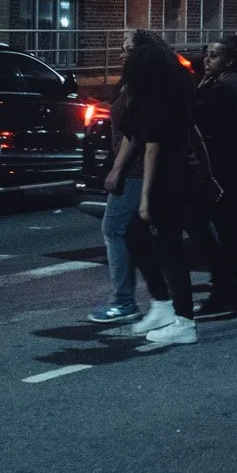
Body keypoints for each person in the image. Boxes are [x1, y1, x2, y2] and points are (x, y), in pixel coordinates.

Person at [113, 31, 202, 346]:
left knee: (167, 248)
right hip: (178, 177)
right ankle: (164, 306)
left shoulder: (153, 100)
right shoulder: (169, 93)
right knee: (138, 238)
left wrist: (145, 199)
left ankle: (184, 321)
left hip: (167, 179)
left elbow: (152, 148)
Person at [193, 35, 237, 316]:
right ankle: (226, 291)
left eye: (214, 55)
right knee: (226, 231)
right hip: (229, 167)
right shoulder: (221, 83)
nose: (207, 59)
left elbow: (205, 121)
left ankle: (226, 292)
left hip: (228, 169)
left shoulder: (226, 87)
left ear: (230, 61)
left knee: (224, 232)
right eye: (207, 54)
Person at [86, 72, 142, 327]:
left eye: (129, 47)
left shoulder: (142, 88)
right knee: (139, 236)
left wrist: (117, 169)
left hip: (133, 170)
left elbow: (135, 135)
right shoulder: (131, 83)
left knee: (113, 229)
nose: (122, 50)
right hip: (133, 169)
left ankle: (124, 301)